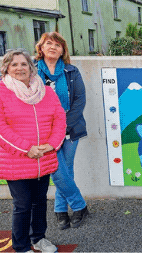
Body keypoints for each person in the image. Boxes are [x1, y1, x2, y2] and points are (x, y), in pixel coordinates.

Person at [0, 49, 66, 253]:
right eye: (14, 64)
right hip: (17, 161)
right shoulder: (2, 92)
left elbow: (59, 119)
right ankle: (20, 246)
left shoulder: (46, 91)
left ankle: (38, 238)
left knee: (39, 202)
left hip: (43, 159)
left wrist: (52, 144)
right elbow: (1, 128)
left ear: (31, 67)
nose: (20, 68)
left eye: (24, 64)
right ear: (6, 69)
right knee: (23, 205)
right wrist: (26, 149)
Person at [34, 33, 87, 230]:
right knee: (57, 168)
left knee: (64, 169)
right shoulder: (31, 71)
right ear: (41, 47)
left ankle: (60, 210)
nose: (53, 47)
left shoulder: (71, 71)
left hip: (70, 129)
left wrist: (62, 127)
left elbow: (79, 101)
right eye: (49, 43)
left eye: (58, 45)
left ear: (63, 50)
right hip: (43, 130)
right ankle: (78, 205)